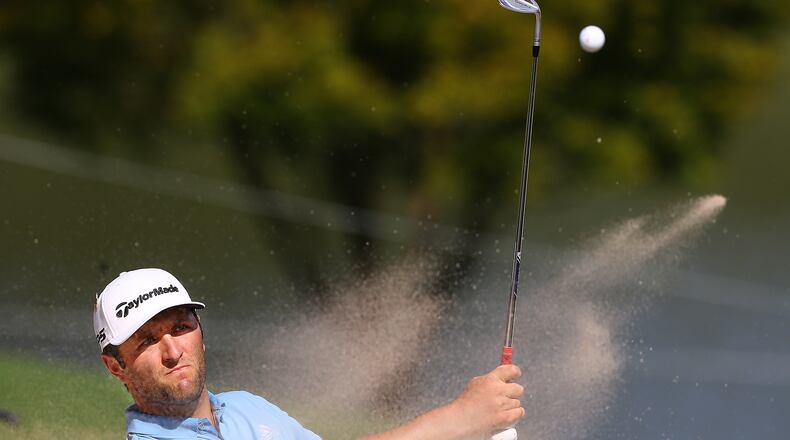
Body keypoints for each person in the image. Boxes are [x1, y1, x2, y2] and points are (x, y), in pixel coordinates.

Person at [94, 268, 525, 439]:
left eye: (181, 328)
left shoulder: (248, 407)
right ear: (116, 366)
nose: (172, 350)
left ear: (200, 334)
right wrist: (461, 417)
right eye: (147, 341)